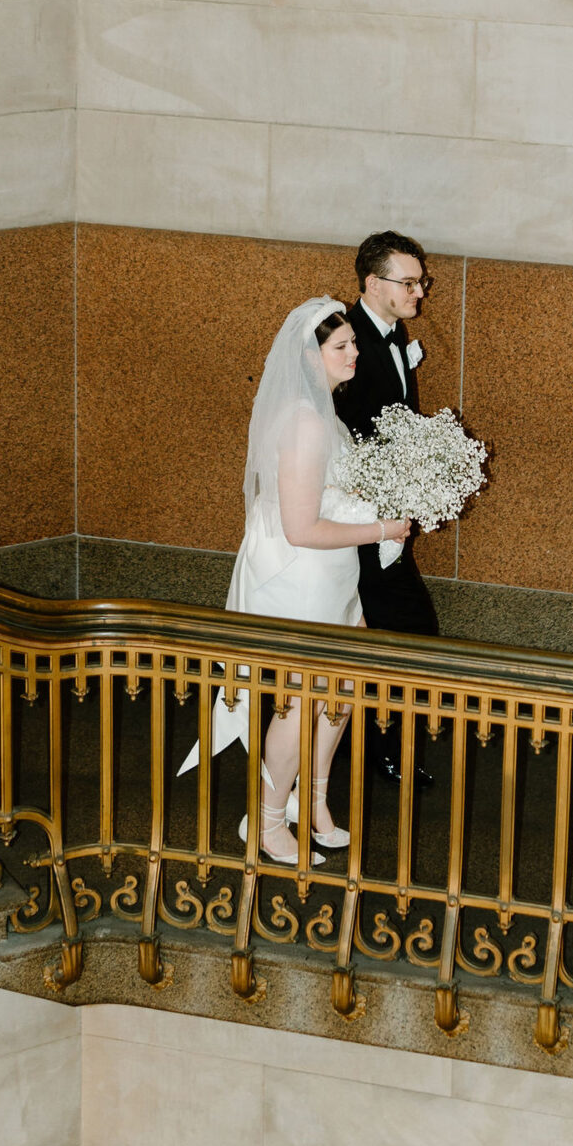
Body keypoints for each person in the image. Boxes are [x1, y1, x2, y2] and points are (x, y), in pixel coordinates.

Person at [199, 297, 408, 865]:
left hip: (329, 575)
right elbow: (300, 527)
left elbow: (326, 496)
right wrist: (382, 526)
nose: (354, 353)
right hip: (299, 575)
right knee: (300, 700)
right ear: (309, 358)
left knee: (338, 690)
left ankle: (312, 803)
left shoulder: (323, 413)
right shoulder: (304, 424)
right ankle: (265, 822)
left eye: (354, 344)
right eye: (340, 347)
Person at [334, 230, 440, 788]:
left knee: (380, 633)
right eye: (409, 282)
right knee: (407, 631)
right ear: (372, 284)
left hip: (387, 521)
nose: (419, 292)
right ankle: (384, 751)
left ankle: (378, 749)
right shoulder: (347, 341)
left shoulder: (395, 338)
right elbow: (346, 436)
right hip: (359, 522)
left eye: (421, 281)